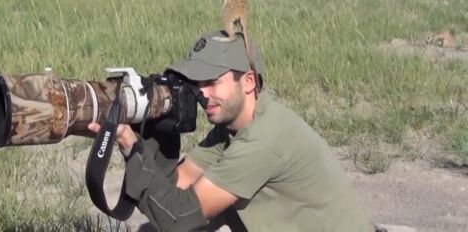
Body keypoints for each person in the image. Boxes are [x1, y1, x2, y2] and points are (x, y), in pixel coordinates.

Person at [89, 30, 372, 231]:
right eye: (197, 84)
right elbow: (174, 188)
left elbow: (177, 218)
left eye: (212, 82)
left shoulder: (263, 140)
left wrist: (130, 145)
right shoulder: (232, 130)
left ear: (248, 82)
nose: (202, 93)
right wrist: (152, 129)